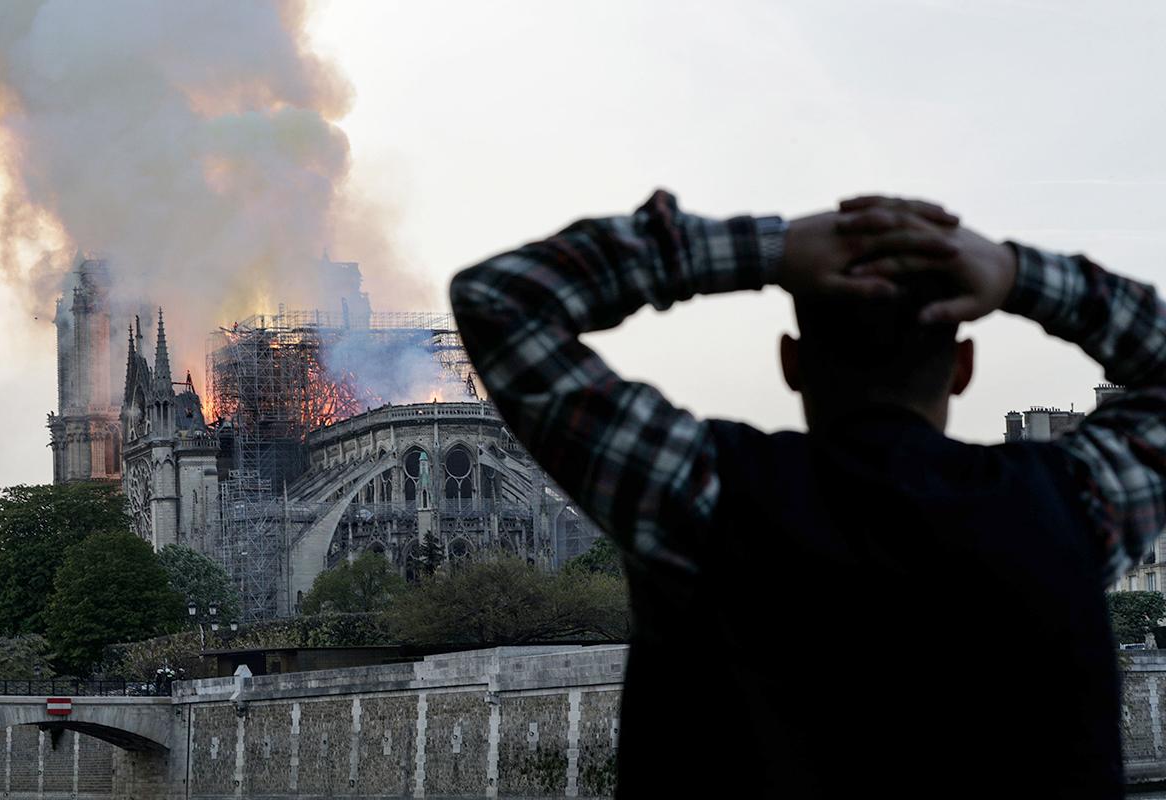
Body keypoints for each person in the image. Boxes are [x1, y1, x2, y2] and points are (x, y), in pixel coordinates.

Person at [449, 191, 1166, 798]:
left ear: (791, 362)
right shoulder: (1074, 508)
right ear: (963, 368)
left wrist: (770, 249)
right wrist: (1016, 274)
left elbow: (501, 297)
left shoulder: (698, 492)